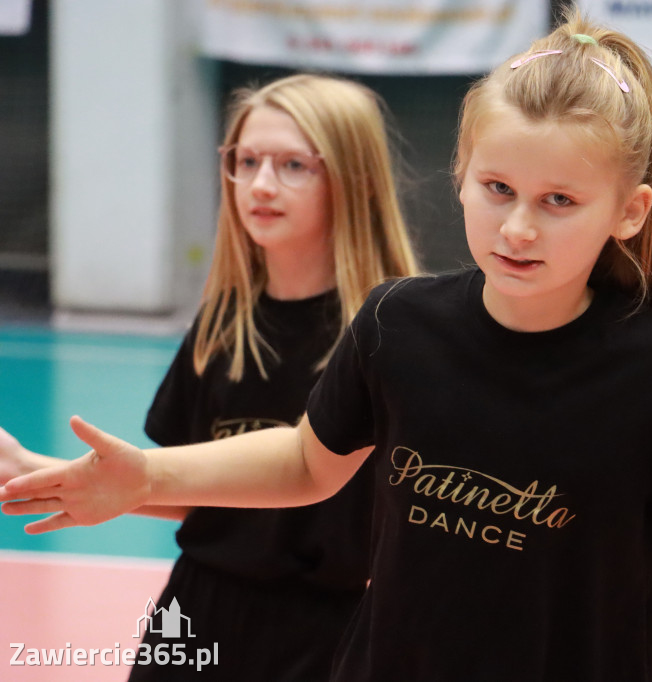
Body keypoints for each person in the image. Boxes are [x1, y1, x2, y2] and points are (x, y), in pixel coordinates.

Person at [0, 10, 652, 681]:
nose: (517, 226)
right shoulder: (400, 323)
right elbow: (311, 464)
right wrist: (145, 480)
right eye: (497, 186)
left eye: (558, 202)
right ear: (461, 174)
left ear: (630, 213)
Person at [0, 73, 419, 681]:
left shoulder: (392, 335)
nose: (261, 185)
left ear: (353, 178)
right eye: (245, 162)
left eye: (292, 165)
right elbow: (191, 497)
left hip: (329, 633)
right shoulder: (224, 325)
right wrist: (28, 469)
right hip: (198, 615)